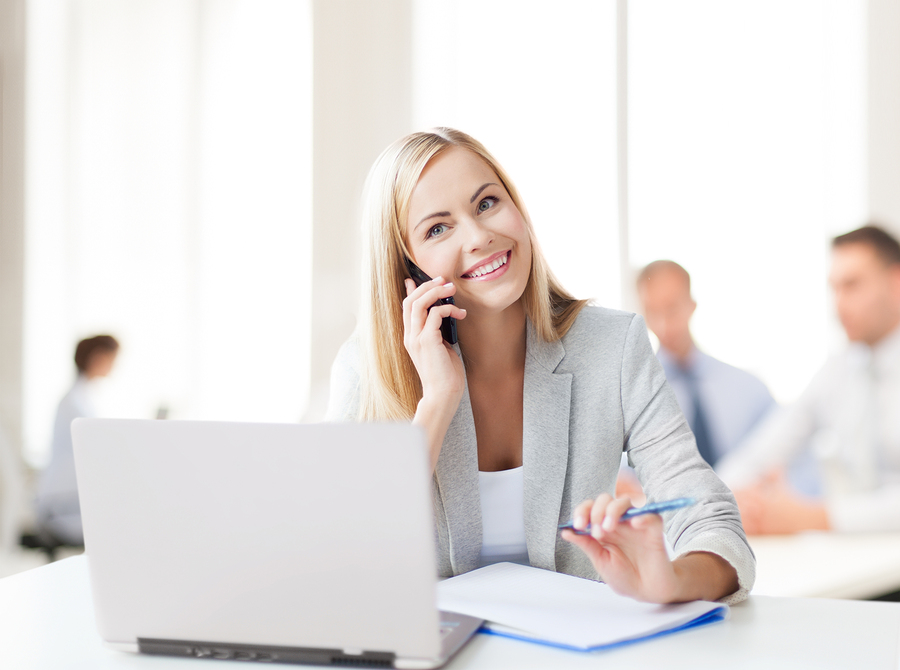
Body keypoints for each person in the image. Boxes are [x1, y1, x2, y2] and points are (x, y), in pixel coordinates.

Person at [326, 128, 753, 605]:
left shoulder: (613, 346)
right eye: (438, 228)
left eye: (486, 203)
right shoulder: (367, 370)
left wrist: (671, 581)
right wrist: (437, 401)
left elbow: (712, 520)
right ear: (408, 266)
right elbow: (345, 557)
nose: (480, 235)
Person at [718, 225, 900, 533]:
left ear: (895, 282)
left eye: (852, 285)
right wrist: (720, 499)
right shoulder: (837, 371)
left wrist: (816, 518)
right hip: (855, 561)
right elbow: (763, 451)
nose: (839, 305)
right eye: (834, 288)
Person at [637, 260, 776, 467]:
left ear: (691, 305)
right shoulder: (635, 398)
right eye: (652, 312)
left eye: (671, 309)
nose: (662, 325)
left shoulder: (750, 391)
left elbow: (783, 455)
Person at [35, 335, 119, 546]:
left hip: (70, 500)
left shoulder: (82, 398)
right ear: (97, 357)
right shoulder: (74, 403)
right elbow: (100, 450)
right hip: (62, 506)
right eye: (112, 358)